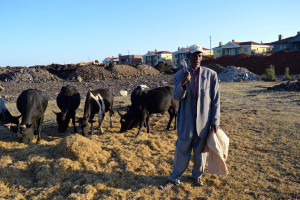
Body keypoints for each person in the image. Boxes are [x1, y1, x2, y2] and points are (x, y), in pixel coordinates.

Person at [159, 44, 220, 190]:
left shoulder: (211, 75)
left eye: (199, 55)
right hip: (186, 122)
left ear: (202, 57)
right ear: (189, 56)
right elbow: (176, 96)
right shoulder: (179, 75)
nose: (197, 58)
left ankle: (196, 176)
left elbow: (215, 100)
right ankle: (174, 178)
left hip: (203, 122)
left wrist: (215, 120)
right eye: (194, 55)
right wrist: (183, 83)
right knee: (181, 151)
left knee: (200, 153)